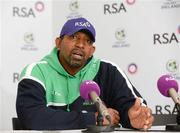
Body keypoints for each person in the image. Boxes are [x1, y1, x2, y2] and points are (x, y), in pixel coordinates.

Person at [16, 17, 154, 130]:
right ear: (58, 43)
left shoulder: (108, 71)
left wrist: (132, 117)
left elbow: (132, 107)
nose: (81, 45)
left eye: (87, 41)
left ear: (91, 51)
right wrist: (92, 119)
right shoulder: (36, 72)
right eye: (74, 37)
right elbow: (32, 117)